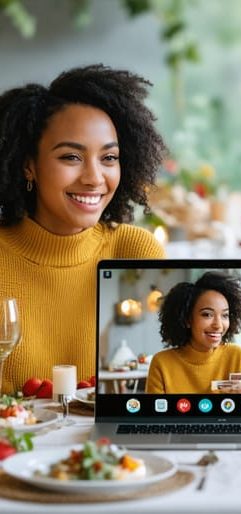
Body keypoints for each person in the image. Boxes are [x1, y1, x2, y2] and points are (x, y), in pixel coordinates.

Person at [0, 64, 166, 394]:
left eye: (109, 158)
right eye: (72, 157)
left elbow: (158, 382)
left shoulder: (137, 253)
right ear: (28, 165)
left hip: (110, 445)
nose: (94, 178)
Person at [145, 271, 241, 394]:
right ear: (187, 320)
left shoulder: (236, 356)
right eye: (207, 314)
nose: (218, 325)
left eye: (225, 315)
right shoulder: (161, 363)